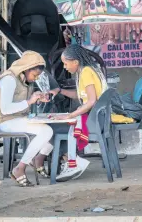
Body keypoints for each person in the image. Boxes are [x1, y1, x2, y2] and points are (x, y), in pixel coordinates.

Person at [0, 51, 53, 187]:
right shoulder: (9, 79)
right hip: (6, 122)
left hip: (19, 119)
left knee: (53, 128)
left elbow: (25, 102)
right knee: (46, 131)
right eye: (34, 75)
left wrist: (37, 99)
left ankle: (36, 159)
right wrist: (29, 101)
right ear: (25, 69)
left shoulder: (24, 79)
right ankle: (20, 168)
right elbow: (5, 109)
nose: (35, 79)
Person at [49, 45, 108, 181]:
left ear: (75, 62)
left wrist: (71, 115)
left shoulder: (86, 72)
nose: (64, 67)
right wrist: (60, 91)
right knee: (68, 122)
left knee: (62, 126)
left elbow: (91, 101)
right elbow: (81, 96)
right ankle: (72, 160)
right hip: (99, 116)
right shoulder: (86, 71)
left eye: (65, 63)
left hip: (96, 119)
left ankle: (72, 162)